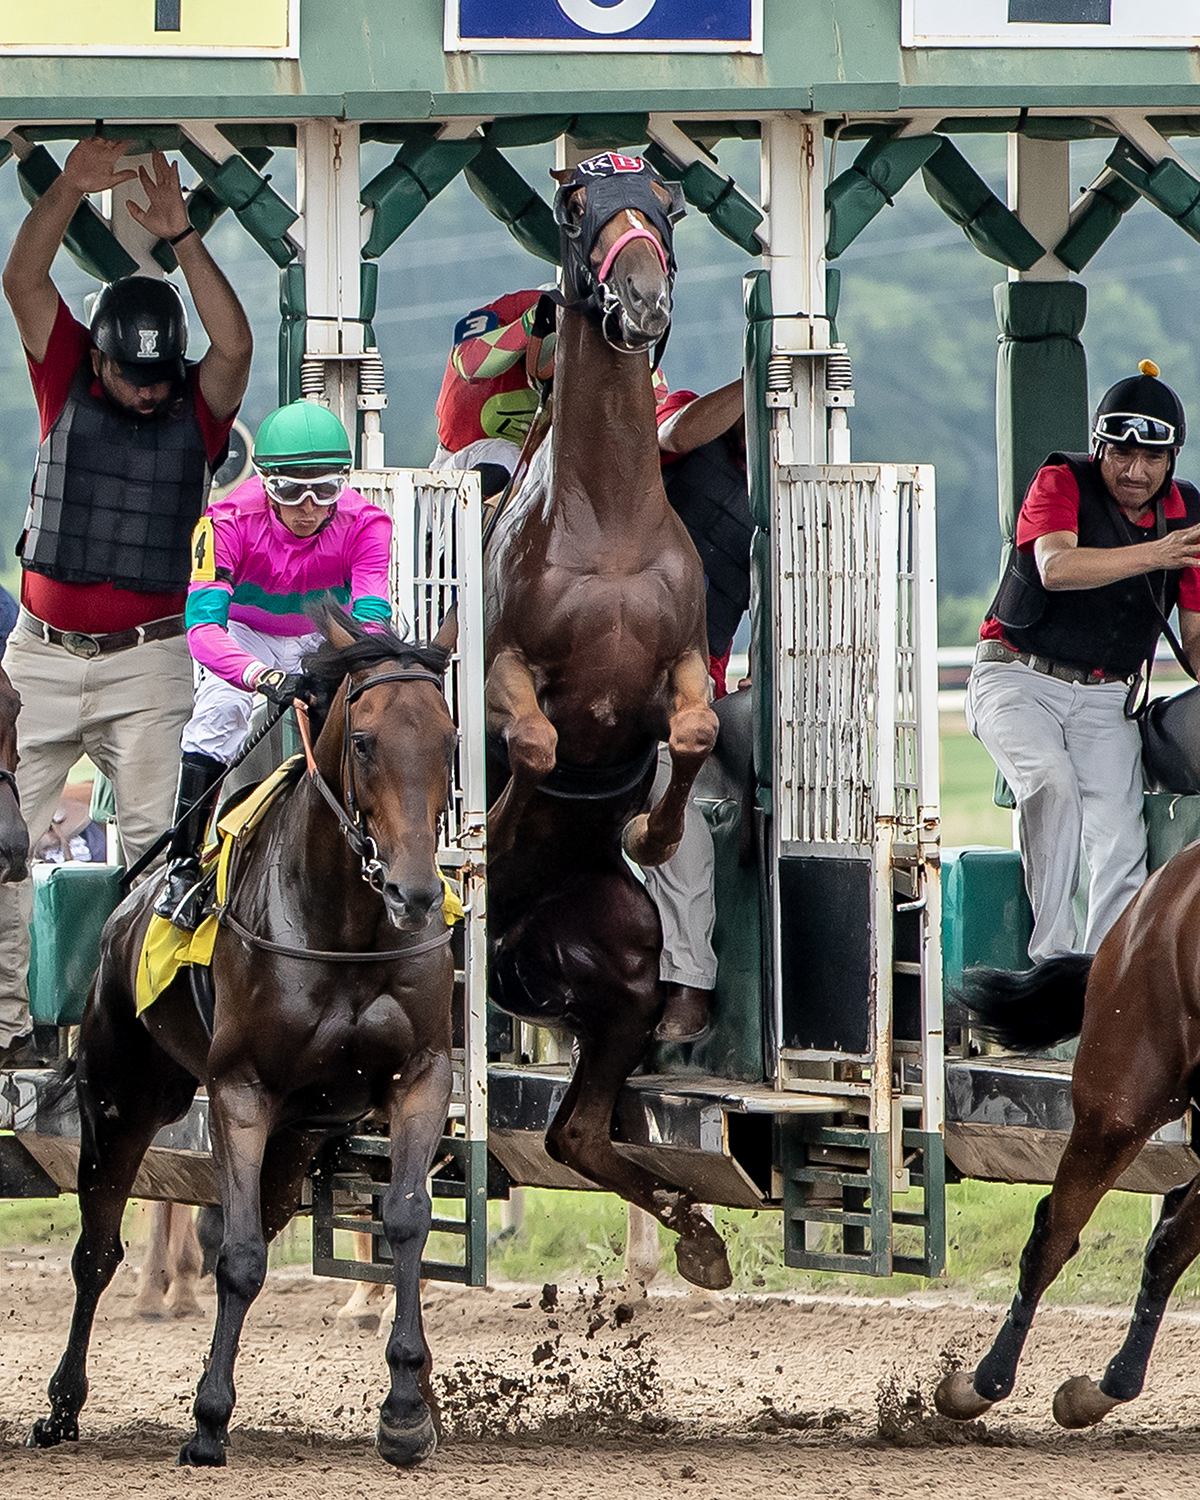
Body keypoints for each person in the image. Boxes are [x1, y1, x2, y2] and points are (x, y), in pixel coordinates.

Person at [0, 137, 252, 1066]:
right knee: (2, 845)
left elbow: (236, 343)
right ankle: (6, 1032)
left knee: (154, 851)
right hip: (39, 657)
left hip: (149, 660)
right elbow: (23, 280)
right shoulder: (63, 372)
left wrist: (181, 232)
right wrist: (68, 185)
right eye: (129, 378)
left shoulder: (197, 400)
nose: (147, 397)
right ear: (97, 359)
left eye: (158, 380)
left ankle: (145, 1035)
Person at [967, 361, 1200, 962]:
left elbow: (1195, 644)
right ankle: (1053, 961)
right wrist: (1161, 553)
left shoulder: (1187, 515)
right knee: (1051, 783)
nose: (1135, 471)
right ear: (1098, 447)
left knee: (1121, 840)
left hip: (1105, 696)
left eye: (1152, 458)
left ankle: (1104, 982)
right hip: (1016, 676)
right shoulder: (1061, 481)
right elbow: (1057, 568)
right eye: (1121, 453)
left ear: (1171, 460)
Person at [154, 401, 392, 929]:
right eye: (291, 492)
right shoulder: (222, 524)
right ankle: (182, 865)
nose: (308, 507)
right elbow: (204, 629)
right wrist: (262, 676)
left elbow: (371, 620)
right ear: (265, 484)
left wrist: (347, 669)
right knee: (223, 711)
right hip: (240, 634)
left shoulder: (369, 523)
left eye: (325, 490)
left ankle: (380, 852)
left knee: (370, 715)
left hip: (320, 630)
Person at [647, 377, 751, 1043]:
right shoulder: (689, 415)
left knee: (675, 816)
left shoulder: (791, 488)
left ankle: (690, 978)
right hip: (603, 653)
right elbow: (671, 435)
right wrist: (756, 371)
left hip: (688, 688)